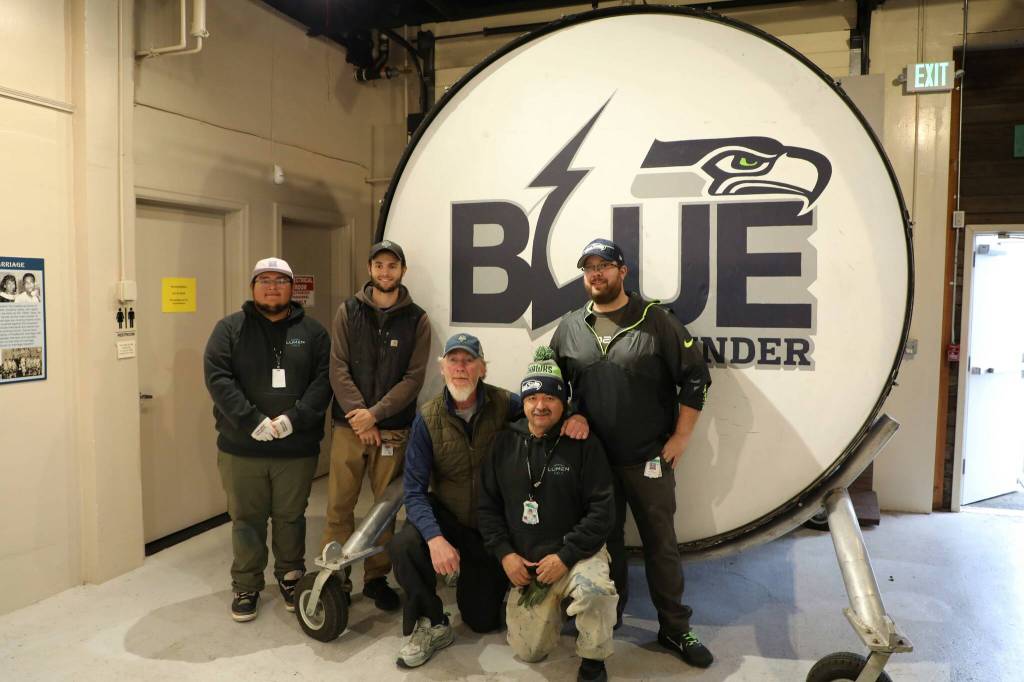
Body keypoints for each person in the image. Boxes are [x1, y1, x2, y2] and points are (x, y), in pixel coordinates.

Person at [550, 238, 714, 669]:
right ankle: (609, 616)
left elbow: (696, 377)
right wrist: (570, 414)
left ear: (623, 272)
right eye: (589, 267)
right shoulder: (570, 326)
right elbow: (549, 383)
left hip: (648, 458)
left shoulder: (655, 320)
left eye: (605, 265)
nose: (596, 273)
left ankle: (675, 627)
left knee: (661, 543)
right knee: (605, 544)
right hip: (593, 462)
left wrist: (681, 437)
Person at [388, 334, 589, 669]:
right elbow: (413, 490)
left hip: (490, 527)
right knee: (405, 544)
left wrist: (575, 415)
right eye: (454, 360)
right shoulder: (427, 418)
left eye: (469, 361)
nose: (461, 368)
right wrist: (436, 539)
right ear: (443, 369)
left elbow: (543, 410)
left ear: (482, 368)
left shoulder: (504, 403)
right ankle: (431, 621)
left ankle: (475, 576)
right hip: (449, 517)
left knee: (482, 620)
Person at [203, 257, 332, 623]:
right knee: (247, 519)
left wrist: (296, 419)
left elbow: (324, 381)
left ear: (293, 288)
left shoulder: (314, 333)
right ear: (253, 287)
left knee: (291, 517)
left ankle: (291, 576)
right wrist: (250, 420)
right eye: (264, 280)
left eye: (280, 280)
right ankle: (246, 584)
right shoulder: (229, 329)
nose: (272, 286)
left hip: (296, 449)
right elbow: (218, 378)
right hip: (243, 448)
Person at [479, 347, 617, 682]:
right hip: (528, 564)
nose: (540, 405)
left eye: (550, 398)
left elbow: (602, 511)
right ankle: (550, 609)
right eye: (532, 397)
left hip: (576, 556)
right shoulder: (503, 444)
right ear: (523, 402)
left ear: (563, 402)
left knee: (596, 593)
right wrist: (505, 555)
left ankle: (593, 661)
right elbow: (486, 507)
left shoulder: (584, 444)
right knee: (529, 652)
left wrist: (566, 555)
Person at [320, 240, 430, 611]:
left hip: (392, 431)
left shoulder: (418, 318)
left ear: (402, 271)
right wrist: (359, 415)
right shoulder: (347, 311)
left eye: (392, 266)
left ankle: (376, 578)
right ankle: (335, 576)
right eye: (379, 265)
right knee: (339, 507)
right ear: (370, 269)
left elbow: (414, 378)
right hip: (348, 429)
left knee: (383, 512)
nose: (385, 272)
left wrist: (376, 415)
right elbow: (338, 367)